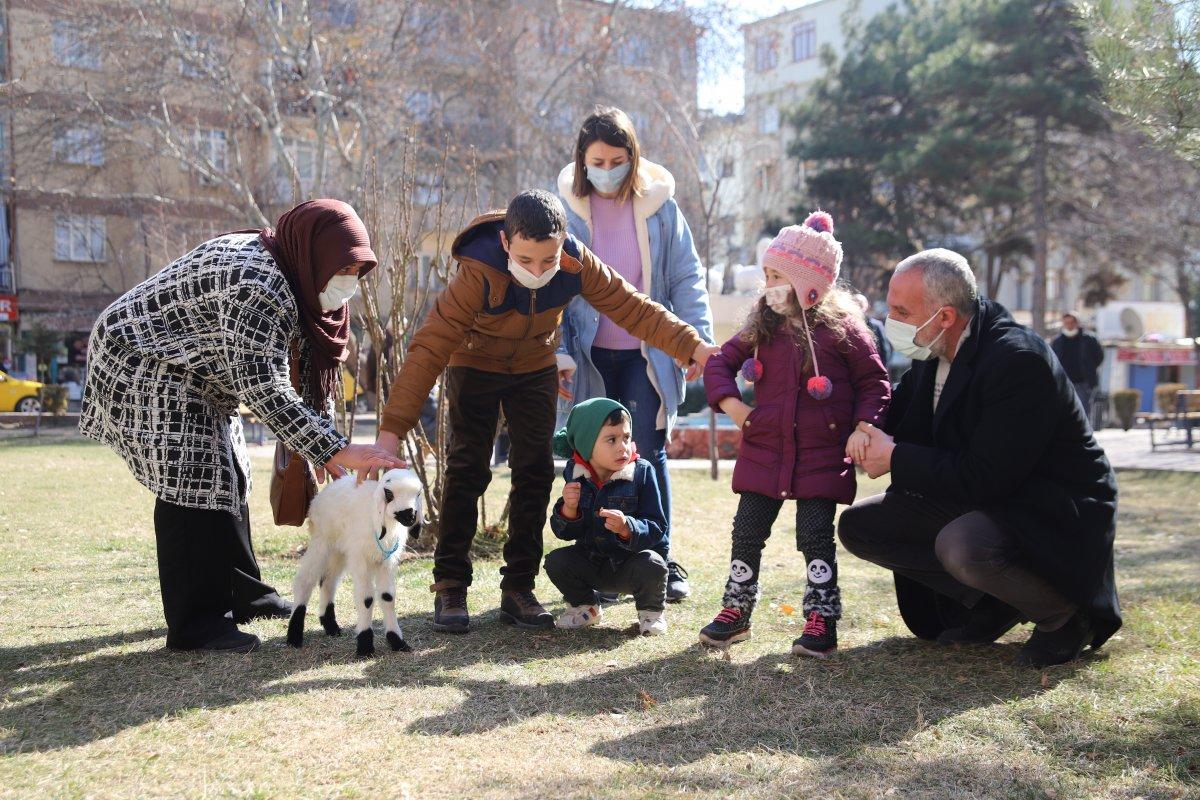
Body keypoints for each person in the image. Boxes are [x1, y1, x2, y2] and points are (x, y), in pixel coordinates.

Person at [372, 190, 717, 634]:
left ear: (563, 244)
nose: (537, 271)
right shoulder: (477, 272)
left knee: (535, 470)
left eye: (548, 259)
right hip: (474, 363)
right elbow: (429, 348)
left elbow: (633, 307)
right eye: (526, 259)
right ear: (505, 244)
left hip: (535, 364)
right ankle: (451, 584)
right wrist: (391, 430)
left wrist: (692, 346)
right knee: (467, 469)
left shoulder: (575, 263)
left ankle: (519, 587)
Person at [80, 200, 404, 654]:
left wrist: (330, 451)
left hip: (200, 373)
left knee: (231, 473)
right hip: (143, 360)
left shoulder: (302, 283)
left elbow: (311, 383)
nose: (348, 281)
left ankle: (245, 594)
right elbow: (263, 383)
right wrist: (333, 450)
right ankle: (196, 624)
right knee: (191, 478)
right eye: (341, 266)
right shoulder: (258, 283)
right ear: (313, 254)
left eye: (356, 269)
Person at [839, 249, 1121, 667]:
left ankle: (1064, 617)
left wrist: (895, 458)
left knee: (963, 546)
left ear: (946, 317)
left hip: (1050, 506)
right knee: (862, 527)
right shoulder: (934, 350)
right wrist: (855, 423)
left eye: (900, 310)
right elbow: (895, 412)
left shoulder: (1018, 360)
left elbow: (986, 477)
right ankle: (1000, 600)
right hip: (986, 495)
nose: (890, 319)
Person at [698, 212, 891, 657]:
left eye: (777, 275)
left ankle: (822, 617)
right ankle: (736, 609)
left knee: (814, 534)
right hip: (765, 447)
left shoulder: (844, 331)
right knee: (747, 529)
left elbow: (875, 383)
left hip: (822, 452)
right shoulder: (761, 326)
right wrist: (734, 406)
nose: (769, 285)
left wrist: (865, 426)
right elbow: (719, 363)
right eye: (766, 275)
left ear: (810, 282)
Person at [556, 106, 714, 603]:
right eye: (597, 161)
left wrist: (697, 341)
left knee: (646, 451)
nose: (607, 169)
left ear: (633, 157)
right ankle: (598, 561)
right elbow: (552, 284)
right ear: (582, 161)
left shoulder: (661, 206)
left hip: (648, 353)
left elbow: (687, 276)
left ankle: (660, 560)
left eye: (617, 159)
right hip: (589, 354)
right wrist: (558, 352)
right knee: (590, 458)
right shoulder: (564, 210)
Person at [543, 398, 669, 635]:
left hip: (631, 564)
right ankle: (586, 607)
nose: (623, 447)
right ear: (586, 444)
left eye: (626, 438)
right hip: (592, 562)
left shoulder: (641, 472)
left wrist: (627, 527)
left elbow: (657, 526)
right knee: (556, 561)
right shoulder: (575, 472)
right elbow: (564, 533)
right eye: (612, 439)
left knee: (653, 563)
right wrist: (568, 511)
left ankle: (651, 613)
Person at [1050, 312, 1104, 425]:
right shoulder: (1057, 341)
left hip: (1083, 382)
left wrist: (1090, 371)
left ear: (1077, 323)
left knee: (1083, 411)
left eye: (1071, 322)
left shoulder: (1089, 339)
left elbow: (1098, 357)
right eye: (1066, 323)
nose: (1069, 325)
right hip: (1063, 383)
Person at [855, 292, 892, 374]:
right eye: (855, 304)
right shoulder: (846, 327)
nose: (858, 307)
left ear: (866, 306)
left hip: (874, 370)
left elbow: (884, 350)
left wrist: (883, 369)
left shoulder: (876, 325)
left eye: (860, 304)